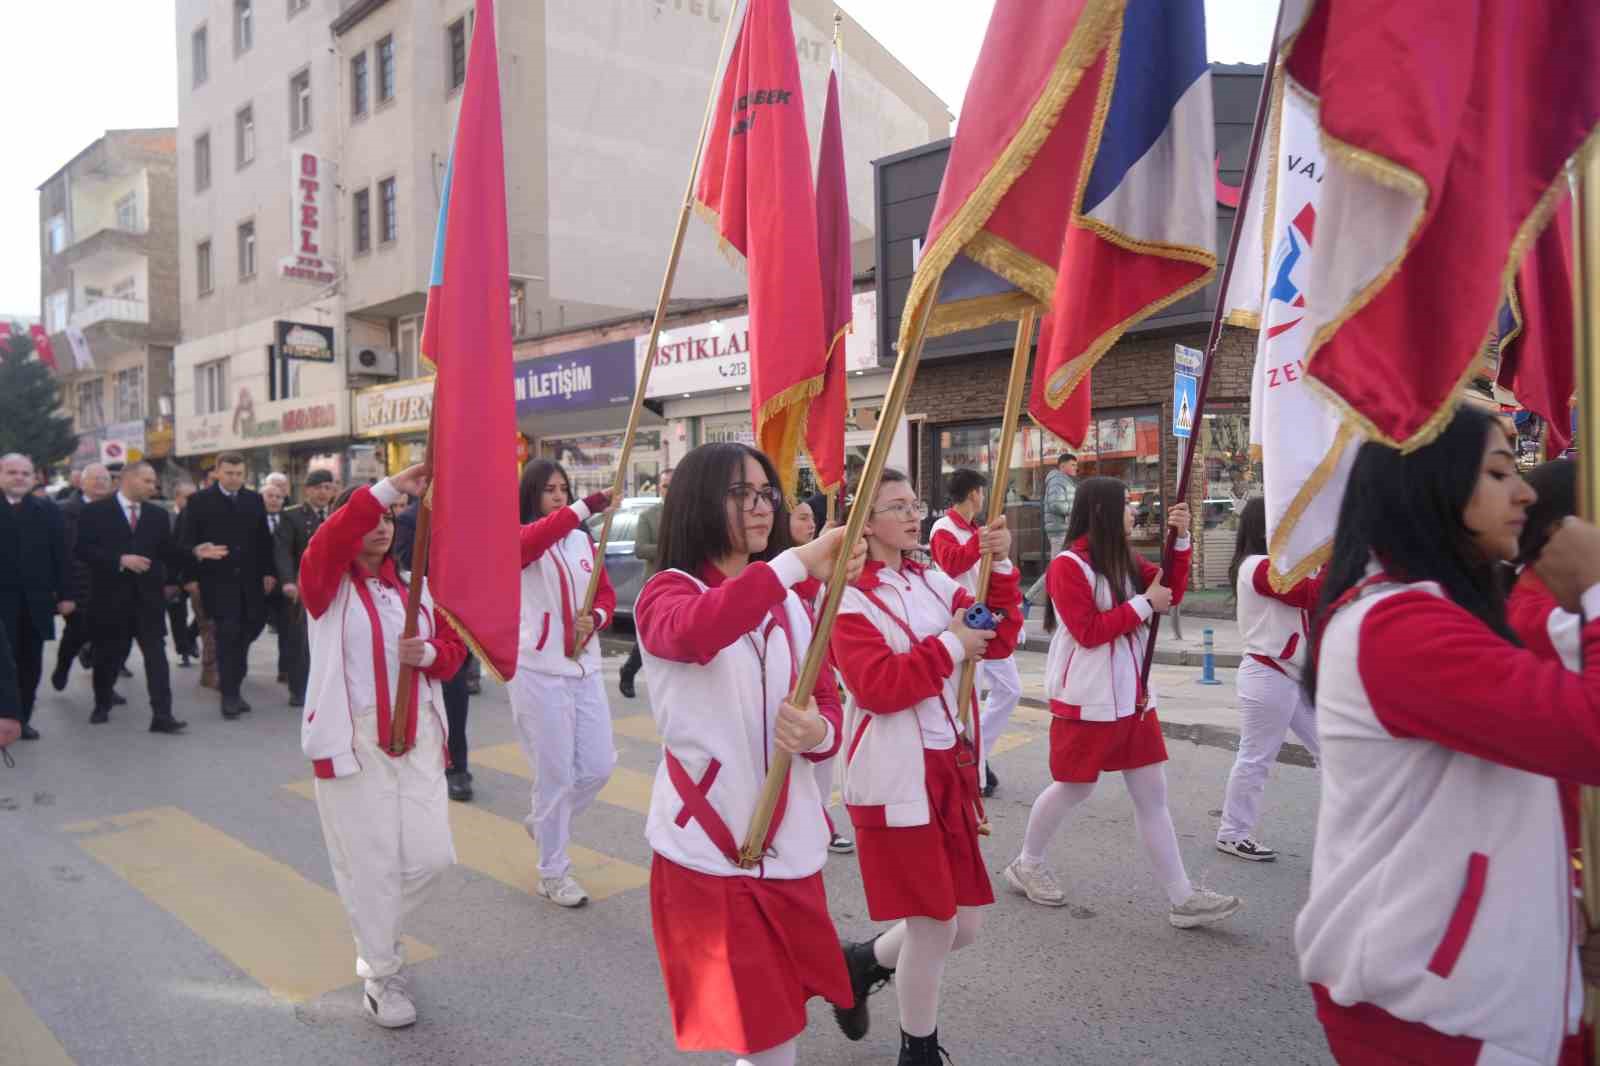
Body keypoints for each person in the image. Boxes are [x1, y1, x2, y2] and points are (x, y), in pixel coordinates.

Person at [1297, 406, 1600, 1065]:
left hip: (1483, 985)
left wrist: (1560, 901)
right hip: (1437, 1010)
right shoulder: (1397, 626)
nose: (1524, 491)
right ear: (1430, 484)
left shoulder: (1431, 607)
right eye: (1497, 472)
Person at [635, 441, 861, 1066]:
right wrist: (794, 565)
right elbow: (696, 632)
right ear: (700, 503)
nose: (762, 508)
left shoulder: (790, 601)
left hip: (786, 843)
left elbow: (826, 698)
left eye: (767, 494)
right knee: (763, 1036)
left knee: (774, 1024)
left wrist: (818, 735)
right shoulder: (667, 592)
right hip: (710, 851)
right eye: (742, 494)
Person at [822, 468, 1019, 1064]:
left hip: (948, 767)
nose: (913, 515)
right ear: (867, 522)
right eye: (897, 506)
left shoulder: (931, 578)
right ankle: (920, 1050)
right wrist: (953, 645)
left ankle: (862, 963)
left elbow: (998, 635)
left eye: (916, 503)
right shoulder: (848, 595)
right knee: (935, 925)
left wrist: (1002, 568)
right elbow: (879, 686)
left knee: (964, 926)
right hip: (895, 775)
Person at [1004, 478, 1241, 930]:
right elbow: (1090, 631)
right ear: (1104, 512)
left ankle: (1183, 898)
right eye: (1127, 506)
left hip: (1133, 699)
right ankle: (1026, 863)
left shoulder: (1124, 559)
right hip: (1087, 700)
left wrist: (1183, 538)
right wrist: (1143, 606)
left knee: (1153, 797)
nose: (1135, 512)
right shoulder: (1067, 566)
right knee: (1075, 787)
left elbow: (1169, 592)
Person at [299, 465, 466, 1029]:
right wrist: (388, 488)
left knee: (432, 858)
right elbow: (331, 540)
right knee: (369, 866)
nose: (383, 526)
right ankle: (381, 971)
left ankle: (378, 930)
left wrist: (433, 656)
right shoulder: (325, 582)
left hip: (416, 736)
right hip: (355, 743)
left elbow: (452, 649)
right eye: (373, 516)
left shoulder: (412, 585)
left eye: (391, 518)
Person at [510, 460, 618, 907]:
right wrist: (583, 506)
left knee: (597, 766)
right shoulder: (519, 537)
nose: (557, 495)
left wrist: (594, 618)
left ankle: (543, 821)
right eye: (549, 489)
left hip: (584, 665)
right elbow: (528, 544)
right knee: (554, 774)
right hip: (537, 669)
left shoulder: (581, 540)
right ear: (532, 494)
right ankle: (553, 871)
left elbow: (605, 592)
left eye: (564, 488)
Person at [1215, 497, 1322, 862]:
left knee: (1332, 752)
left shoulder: (1278, 565)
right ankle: (1232, 832)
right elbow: (1308, 594)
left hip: (1291, 675)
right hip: (1269, 673)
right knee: (1256, 759)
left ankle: (1346, 830)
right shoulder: (1256, 566)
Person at [74, 461, 189, 734]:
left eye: (153, 482)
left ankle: (162, 715)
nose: (154, 486)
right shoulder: (95, 512)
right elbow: (82, 550)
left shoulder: (157, 515)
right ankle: (102, 704)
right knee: (107, 657)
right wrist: (119, 560)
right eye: (148, 481)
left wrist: (195, 553)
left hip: (148, 600)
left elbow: (168, 552)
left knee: (157, 658)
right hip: (110, 600)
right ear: (127, 480)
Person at [929, 467, 1023, 799]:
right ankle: (975, 766)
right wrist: (981, 542)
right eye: (982, 493)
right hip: (961, 624)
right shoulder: (943, 528)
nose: (983, 499)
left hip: (986, 620)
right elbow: (952, 563)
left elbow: (993, 568)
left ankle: (980, 752)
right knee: (963, 705)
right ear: (974, 494)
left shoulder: (974, 529)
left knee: (1010, 690)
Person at [392, 494, 478, 802]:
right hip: (426, 617)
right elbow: (405, 567)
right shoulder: (410, 519)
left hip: (458, 616)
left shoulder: (465, 515)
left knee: (456, 698)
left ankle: (458, 768)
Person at [177, 452, 277, 719]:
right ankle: (229, 695)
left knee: (249, 631)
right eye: (229, 473)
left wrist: (268, 571)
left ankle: (234, 683)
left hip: (251, 581)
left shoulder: (254, 500)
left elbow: (263, 540)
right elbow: (184, 543)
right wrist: (194, 565)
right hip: (217, 582)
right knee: (227, 636)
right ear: (217, 473)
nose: (234, 479)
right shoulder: (198, 502)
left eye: (239, 474)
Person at [788, 500, 852, 855]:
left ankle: (820, 819)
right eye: (802, 519)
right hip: (794, 671)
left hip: (821, 664)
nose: (810, 525)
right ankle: (813, 822)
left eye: (812, 519)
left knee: (826, 749)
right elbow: (804, 595)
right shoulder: (783, 566)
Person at [0, 453, 72, 740]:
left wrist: (67, 595)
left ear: (34, 478)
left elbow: (62, 555)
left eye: (25, 473)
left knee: (30, 663)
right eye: (12, 472)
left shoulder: (48, 510)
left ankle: (22, 718)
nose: (19, 478)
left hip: (35, 602)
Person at [275, 470, 336, 709]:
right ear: (307, 490)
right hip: (303, 586)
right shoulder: (292, 516)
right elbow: (283, 552)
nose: (323, 492)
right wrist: (288, 581)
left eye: (328, 487)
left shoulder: (336, 513)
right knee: (301, 640)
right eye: (318, 487)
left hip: (333, 586)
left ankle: (327, 688)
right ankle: (298, 689)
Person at [52, 463, 114, 691]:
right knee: (76, 633)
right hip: (75, 584)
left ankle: (105, 688)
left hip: (108, 584)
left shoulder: (115, 510)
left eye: (104, 480)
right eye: (94, 479)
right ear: (82, 482)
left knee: (106, 639)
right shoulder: (63, 511)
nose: (100, 483)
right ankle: (63, 667)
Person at [619, 466, 671, 699]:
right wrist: (669, 549)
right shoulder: (648, 515)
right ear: (659, 488)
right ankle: (629, 670)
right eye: (665, 485)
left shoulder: (690, 513)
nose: (669, 490)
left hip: (686, 581)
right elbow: (639, 549)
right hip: (656, 582)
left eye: (673, 485)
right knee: (651, 634)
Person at [261, 481, 292, 686]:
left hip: (283, 585)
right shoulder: (254, 520)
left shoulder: (288, 521)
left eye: (278, 497)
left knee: (286, 630)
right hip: (260, 583)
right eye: (270, 496)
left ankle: (286, 669)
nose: (274, 500)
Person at [1041, 453, 1079, 558]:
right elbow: (1056, 504)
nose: (1076, 468)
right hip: (1060, 530)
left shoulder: (1063, 480)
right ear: (1062, 466)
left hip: (1062, 529)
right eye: (1073, 465)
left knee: (1062, 561)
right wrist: (1075, 509)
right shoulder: (1057, 481)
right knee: (1059, 562)